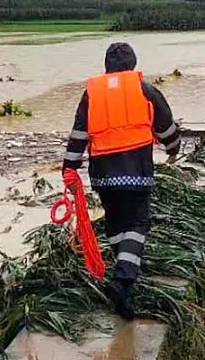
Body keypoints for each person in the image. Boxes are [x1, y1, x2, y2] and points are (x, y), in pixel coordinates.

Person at [61, 42, 180, 319]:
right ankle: (123, 278)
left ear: (106, 67)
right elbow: (166, 126)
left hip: (103, 175)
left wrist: (70, 167)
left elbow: (78, 134)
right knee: (137, 225)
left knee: (115, 225)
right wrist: (173, 149)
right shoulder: (145, 90)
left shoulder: (91, 94)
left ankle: (123, 292)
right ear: (133, 65)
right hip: (136, 172)